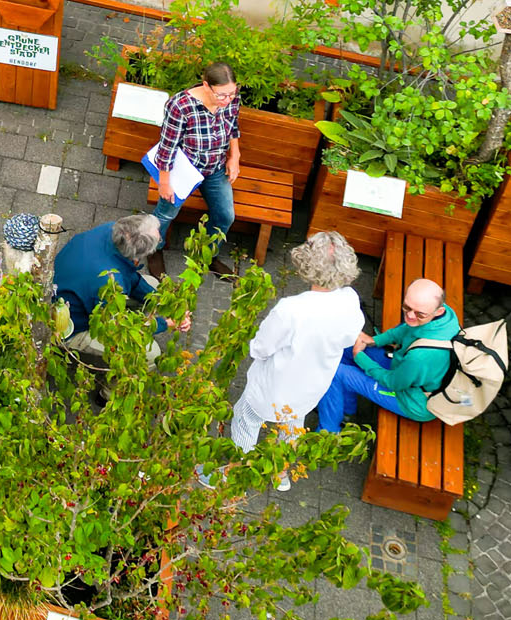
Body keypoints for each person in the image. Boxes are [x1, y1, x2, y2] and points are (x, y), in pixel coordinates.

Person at [200, 231, 364, 492]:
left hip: (275, 386)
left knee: (245, 418)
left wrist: (257, 350)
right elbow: (349, 336)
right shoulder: (350, 299)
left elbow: (262, 347)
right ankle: (280, 472)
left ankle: (236, 472)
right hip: (312, 385)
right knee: (292, 425)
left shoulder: (292, 310)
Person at [316, 277, 458, 433]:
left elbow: (393, 382)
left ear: (439, 310)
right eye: (406, 307)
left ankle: (327, 432)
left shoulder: (420, 357)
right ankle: (345, 410)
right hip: (406, 369)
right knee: (345, 346)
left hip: (411, 399)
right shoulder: (443, 316)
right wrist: (373, 340)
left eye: (419, 314)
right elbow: (405, 329)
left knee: (335, 373)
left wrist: (360, 358)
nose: (410, 316)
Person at [146, 61, 241, 281]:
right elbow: (167, 147)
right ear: (206, 86)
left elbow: (233, 125)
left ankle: (207, 254)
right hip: (185, 169)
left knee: (226, 215)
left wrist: (234, 156)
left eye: (231, 94)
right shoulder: (180, 106)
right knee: (167, 212)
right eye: (222, 95)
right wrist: (165, 182)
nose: (228, 100)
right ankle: (153, 248)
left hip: (215, 167)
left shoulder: (231, 99)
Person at [52, 214, 189, 360]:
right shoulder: (109, 283)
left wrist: (167, 305)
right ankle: (122, 377)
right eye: (158, 240)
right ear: (137, 255)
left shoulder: (110, 229)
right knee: (151, 354)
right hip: (68, 326)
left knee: (152, 285)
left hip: (72, 288)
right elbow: (116, 328)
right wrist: (165, 324)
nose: (160, 239)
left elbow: (129, 275)